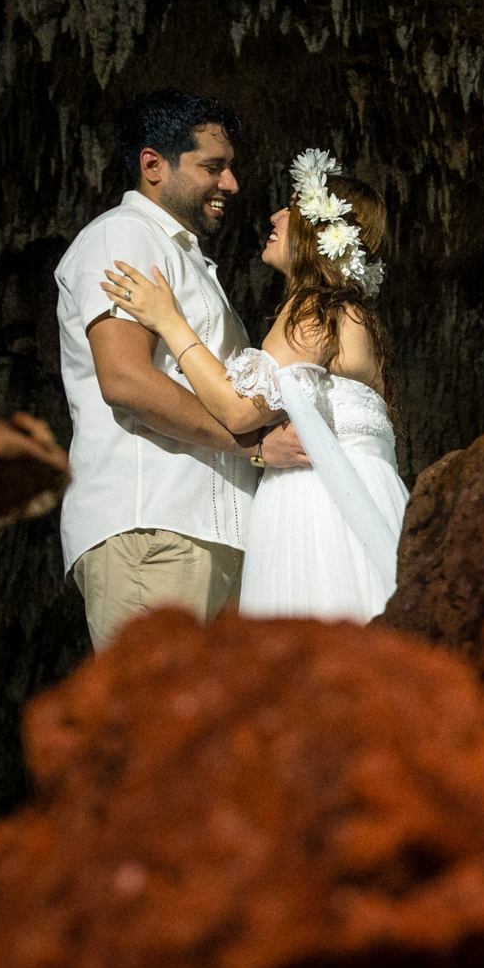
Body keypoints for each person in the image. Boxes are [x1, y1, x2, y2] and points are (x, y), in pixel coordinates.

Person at [101, 147, 409, 622]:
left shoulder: (315, 312)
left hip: (319, 509)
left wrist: (169, 321)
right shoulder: (355, 316)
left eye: (292, 208)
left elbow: (240, 411)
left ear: (317, 231)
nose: (277, 215)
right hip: (361, 497)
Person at [52, 89, 307, 647]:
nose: (231, 184)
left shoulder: (186, 258)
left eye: (231, 168)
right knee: (153, 727)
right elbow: (125, 380)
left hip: (215, 531)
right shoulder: (123, 236)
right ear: (153, 165)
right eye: (213, 167)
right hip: (155, 524)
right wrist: (253, 448)